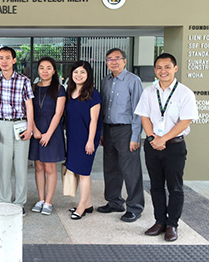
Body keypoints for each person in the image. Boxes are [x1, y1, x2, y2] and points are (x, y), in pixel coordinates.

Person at [135, 53, 198, 242]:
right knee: (156, 186)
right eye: (159, 68)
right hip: (153, 144)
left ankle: (172, 225)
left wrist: (164, 139)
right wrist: (153, 137)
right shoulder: (149, 92)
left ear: (175, 68)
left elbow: (185, 121)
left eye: (167, 67)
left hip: (174, 146)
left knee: (175, 187)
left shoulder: (184, 93)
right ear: (155, 70)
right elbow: (144, 117)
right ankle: (159, 221)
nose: (163, 71)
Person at [98, 48, 145, 222]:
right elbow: (103, 109)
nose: (114, 62)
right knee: (110, 167)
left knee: (130, 170)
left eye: (117, 58)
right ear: (106, 63)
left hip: (126, 130)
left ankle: (135, 207)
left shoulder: (133, 80)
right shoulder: (106, 81)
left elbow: (138, 111)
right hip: (109, 129)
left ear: (124, 61)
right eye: (110, 59)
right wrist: (102, 132)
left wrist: (135, 136)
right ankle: (114, 202)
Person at [0, 46, 34, 215]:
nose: (4, 61)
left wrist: (30, 128)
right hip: (3, 125)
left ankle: (20, 202)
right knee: (4, 166)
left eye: (8, 57)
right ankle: (4, 201)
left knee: (21, 167)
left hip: (21, 125)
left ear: (14, 60)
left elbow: (29, 106)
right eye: (1, 58)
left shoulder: (24, 80)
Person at [65, 61, 102, 220]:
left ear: (88, 75)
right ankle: (88, 203)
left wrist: (90, 141)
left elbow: (94, 120)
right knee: (77, 171)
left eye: (82, 72)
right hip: (73, 138)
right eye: (76, 72)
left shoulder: (94, 94)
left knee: (84, 173)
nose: (78, 75)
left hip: (87, 139)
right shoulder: (70, 91)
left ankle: (81, 206)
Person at [29, 57, 66, 216]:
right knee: (38, 166)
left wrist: (48, 134)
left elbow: (58, 114)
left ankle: (49, 201)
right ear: (38, 70)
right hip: (35, 129)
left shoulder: (59, 89)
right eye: (42, 68)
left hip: (53, 131)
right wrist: (34, 130)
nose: (45, 71)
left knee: (50, 167)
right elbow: (28, 110)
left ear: (54, 70)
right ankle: (41, 199)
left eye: (49, 68)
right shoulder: (32, 87)